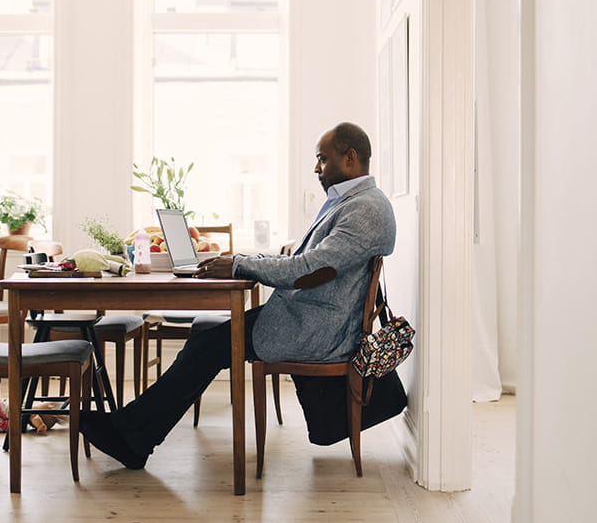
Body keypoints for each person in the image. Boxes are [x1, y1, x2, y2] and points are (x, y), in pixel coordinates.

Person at [79, 122, 397, 469]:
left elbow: (305, 271)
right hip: (307, 317)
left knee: (208, 345)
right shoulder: (353, 203)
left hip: (316, 329)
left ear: (350, 158)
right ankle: (133, 433)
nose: (316, 168)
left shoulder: (364, 208)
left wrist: (239, 265)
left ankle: (132, 437)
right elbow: (299, 262)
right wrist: (242, 261)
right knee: (206, 339)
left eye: (322, 159)